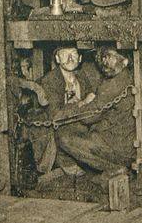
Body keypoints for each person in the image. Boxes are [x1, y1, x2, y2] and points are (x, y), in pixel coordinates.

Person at [56, 47, 134, 184]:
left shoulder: (113, 84)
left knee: (64, 137)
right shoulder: (127, 76)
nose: (105, 61)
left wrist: (79, 105)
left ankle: (114, 168)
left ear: (125, 62)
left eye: (111, 57)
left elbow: (88, 117)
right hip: (127, 142)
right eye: (104, 57)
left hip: (120, 150)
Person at [25, 45, 100, 176]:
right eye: (64, 54)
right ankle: (66, 161)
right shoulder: (50, 80)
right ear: (57, 59)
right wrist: (82, 103)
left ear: (80, 58)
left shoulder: (81, 75)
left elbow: (91, 98)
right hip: (58, 131)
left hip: (78, 124)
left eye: (74, 54)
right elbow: (56, 115)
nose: (70, 58)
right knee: (68, 139)